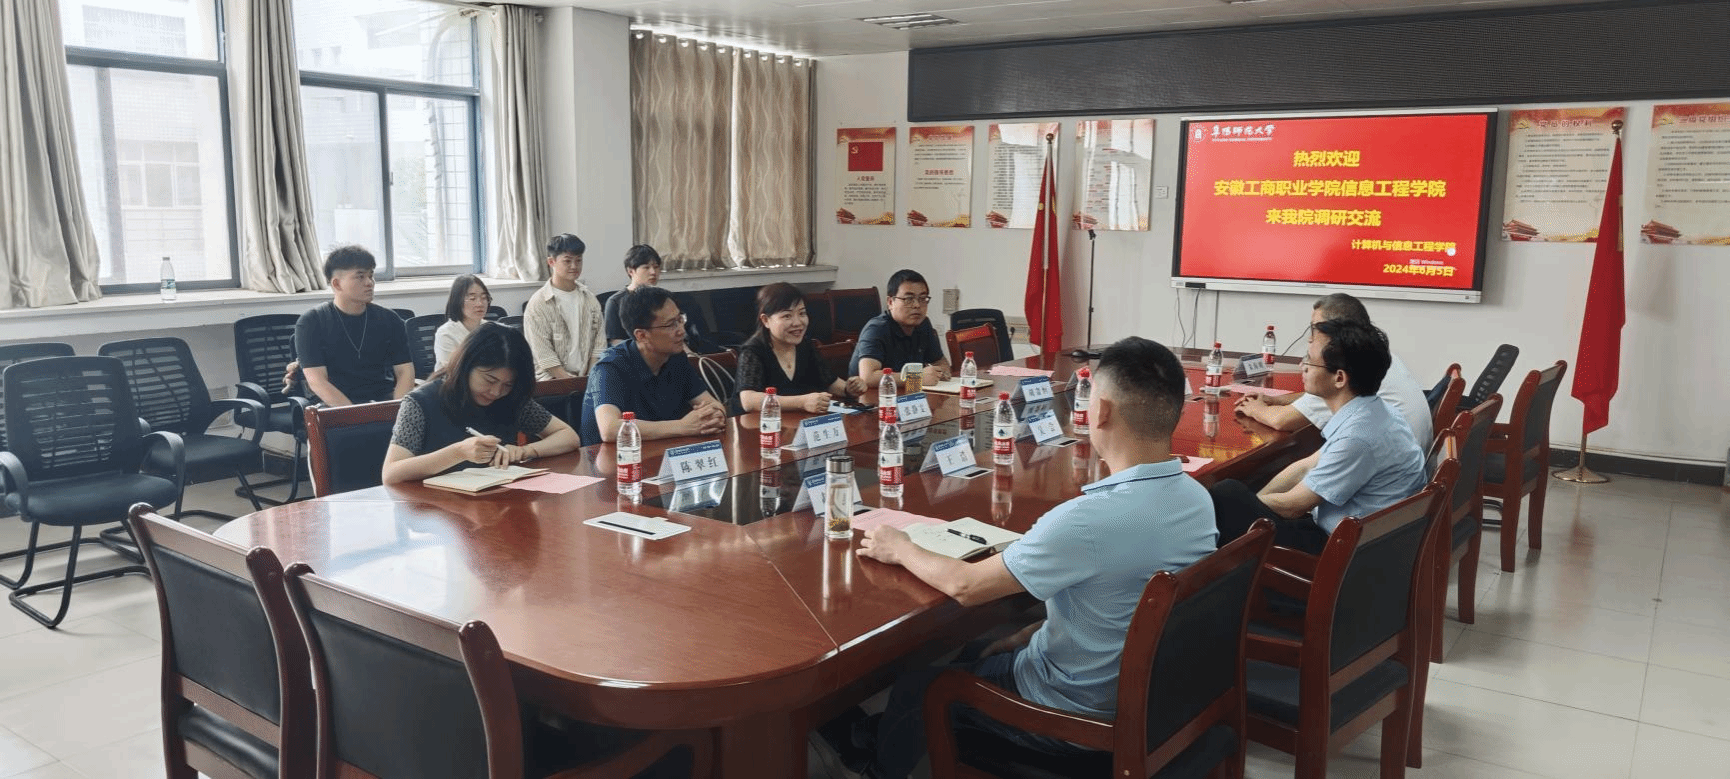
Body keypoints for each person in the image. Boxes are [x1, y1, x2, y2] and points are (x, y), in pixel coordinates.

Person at [847, 337, 1218, 779]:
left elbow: (966, 586)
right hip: (1157, 699)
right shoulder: (1197, 499)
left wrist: (901, 547)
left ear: (1100, 411)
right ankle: (881, 736)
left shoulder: (1086, 521)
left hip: (1076, 720)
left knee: (918, 689)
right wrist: (1035, 631)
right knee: (982, 648)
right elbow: (1124, 597)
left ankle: (878, 764)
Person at [1210, 319, 1428, 554]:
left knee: (1224, 496)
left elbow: (1293, 506)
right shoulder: (1372, 411)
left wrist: (1241, 506)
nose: (1302, 366)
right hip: (1358, 535)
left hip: (1342, 552)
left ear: (1339, 378)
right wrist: (1252, 504)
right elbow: (1305, 467)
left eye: (1310, 361)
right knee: (1232, 499)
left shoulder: (1359, 437)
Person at [382, 323, 581, 485]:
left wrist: (526, 451)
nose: (496, 392)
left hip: (498, 504)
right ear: (466, 365)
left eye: (508, 384)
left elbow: (568, 436)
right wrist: (458, 452)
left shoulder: (511, 400)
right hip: (436, 512)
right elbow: (391, 473)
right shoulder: (420, 402)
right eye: (489, 380)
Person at [1235, 292, 1432, 444]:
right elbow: (1320, 398)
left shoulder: (1347, 366)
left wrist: (1253, 409)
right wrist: (1276, 400)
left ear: (1338, 330)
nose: (1311, 337)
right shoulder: (1374, 355)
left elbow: (1282, 421)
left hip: (1384, 470)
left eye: (1316, 328)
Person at [579, 286, 726, 445]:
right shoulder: (609, 367)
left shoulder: (676, 357)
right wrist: (682, 426)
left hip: (660, 450)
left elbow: (712, 405)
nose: (681, 331)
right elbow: (610, 429)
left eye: (680, 319)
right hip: (611, 457)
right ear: (641, 335)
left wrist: (716, 415)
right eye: (671, 324)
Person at [293, 245, 414, 407]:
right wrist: (355, 414)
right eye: (360, 277)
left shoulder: (390, 319)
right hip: (334, 404)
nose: (370, 283)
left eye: (371, 275)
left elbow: (405, 371)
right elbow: (317, 381)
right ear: (337, 284)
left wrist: (399, 409)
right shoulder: (311, 322)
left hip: (382, 398)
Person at [735, 283, 868, 414]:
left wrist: (849, 389)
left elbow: (830, 382)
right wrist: (801, 402)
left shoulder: (805, 345)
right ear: (765, 320)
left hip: (796, 423)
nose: (798, 322)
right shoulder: (753, 351)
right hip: (759, 425)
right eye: (787, 316)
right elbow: (748, 401)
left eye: (802, 313)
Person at [849, 269, 951, 388]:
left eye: (923, 298)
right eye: (909, 299)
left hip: (908, 394)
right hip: (874, 397)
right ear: (890, 302)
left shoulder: (923, 324)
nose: (917, 305)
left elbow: (940, 361)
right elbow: (868, 377)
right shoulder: (876, 329)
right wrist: (917, 377)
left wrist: (941, 372)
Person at [523, 233, 605, 381]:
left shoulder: (589, 299)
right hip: (550, 380)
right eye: (567, 261)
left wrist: (590, 379)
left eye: (578, 260)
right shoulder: (538, 303)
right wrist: (571, 382)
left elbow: (599, 345)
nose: (574, 266)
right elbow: (544, 355)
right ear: (551, 262)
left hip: (586, 377)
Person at [603, 244, 663, 346]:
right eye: (646, 267)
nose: (653, 272)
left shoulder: (663, 298)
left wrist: (689, 353)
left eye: (656, 267)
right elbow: (615, 342)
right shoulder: (615, 302)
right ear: (630, 271)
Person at [433, 274, 492, 372]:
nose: (480, 304)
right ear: (458, 301)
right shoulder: (446, 333)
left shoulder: (491, 329)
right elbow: (452, 372)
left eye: (484, 297)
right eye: (472, 299)